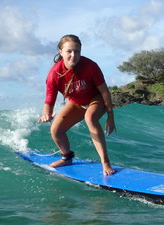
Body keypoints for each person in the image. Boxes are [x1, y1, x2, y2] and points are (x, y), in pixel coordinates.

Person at [38, 34, 116, 175]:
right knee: (56, 129)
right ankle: (67, 157)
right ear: (61, 52)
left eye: (77, 51)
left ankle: (105, 162)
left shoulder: (90, 66)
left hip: (95, 99)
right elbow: (49, 99)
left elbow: (105, 92)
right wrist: (47, 114)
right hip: (76, 103)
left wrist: (111, 115)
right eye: (69, 51)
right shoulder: (54, 74)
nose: (73, 55)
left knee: (90, 118)